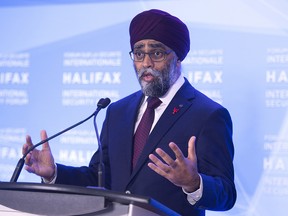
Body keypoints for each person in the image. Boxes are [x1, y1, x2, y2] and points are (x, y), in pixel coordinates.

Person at [22, 9, 236, 215]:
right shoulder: (117, 111)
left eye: (157, 53)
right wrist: (54, 173)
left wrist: (193, 183)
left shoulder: (207, 115)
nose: (146, 63)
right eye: (139, 53)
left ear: (178, 57)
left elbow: (226, 194)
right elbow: (99, 178)